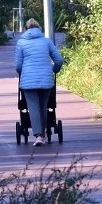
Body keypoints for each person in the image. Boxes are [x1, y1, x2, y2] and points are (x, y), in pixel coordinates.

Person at [15, 18, 64, 147]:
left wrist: (23, 73)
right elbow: (58, 60)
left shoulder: (21, 43)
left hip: (28, 81)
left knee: (33, 107)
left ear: (26, 29)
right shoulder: (46, 41)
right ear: (39, 28)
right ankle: (43, 134)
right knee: (43, 106)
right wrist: (54, 70)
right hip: (46, 80)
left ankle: (38, 135)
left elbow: (18, 65)